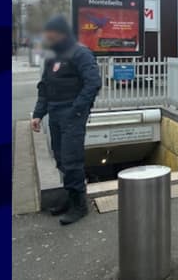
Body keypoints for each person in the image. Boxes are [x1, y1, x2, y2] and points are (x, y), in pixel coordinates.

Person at [31, 15, 102, 225]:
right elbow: (45, 87)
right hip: (54, 113)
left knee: (72, 160)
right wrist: (38, 114)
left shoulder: (81, 53)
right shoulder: (52, 56)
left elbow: (93, 83)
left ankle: (79, 205)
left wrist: (77, 110)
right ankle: (69, 197)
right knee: (61, 158)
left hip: (72, 115)